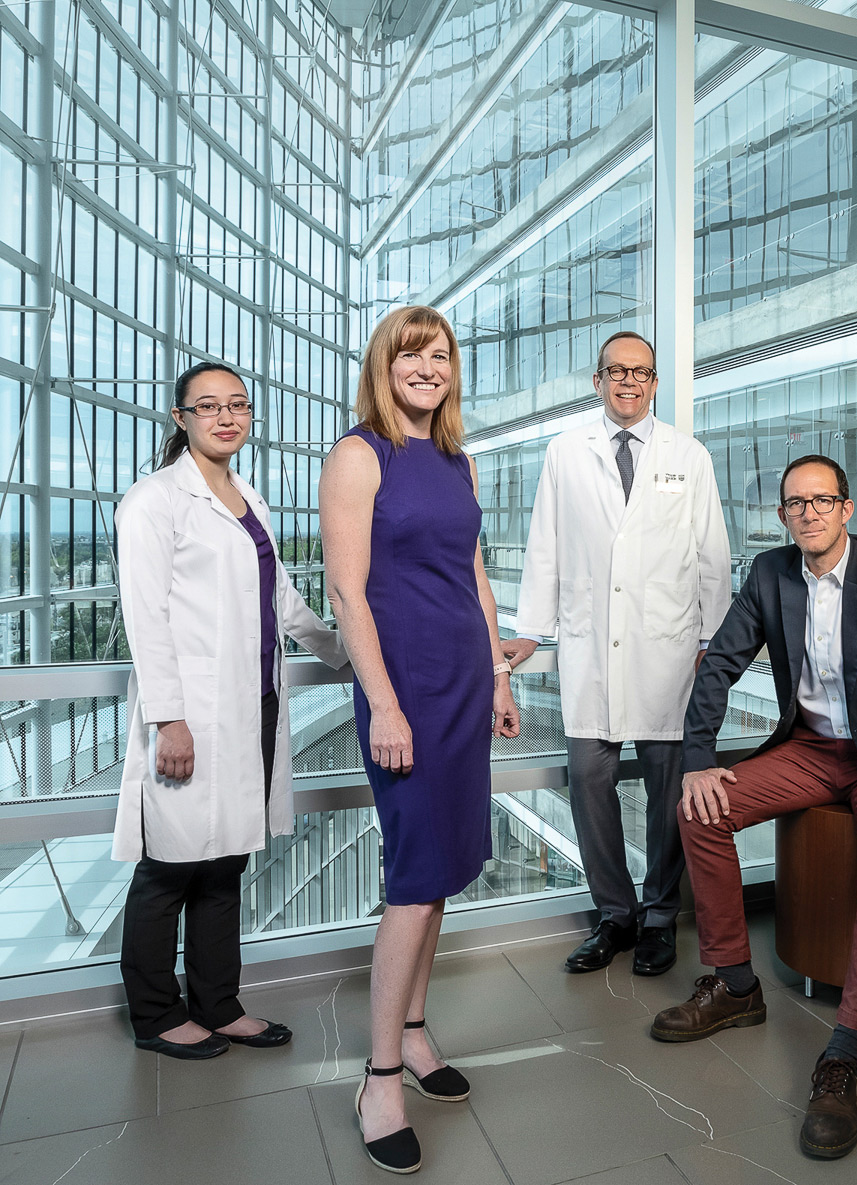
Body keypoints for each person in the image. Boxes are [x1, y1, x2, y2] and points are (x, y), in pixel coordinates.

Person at [652, 454, 857, 1161]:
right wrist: (698, 761)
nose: (808, 512)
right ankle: (736, 983)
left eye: (822, 500)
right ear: (783, 516)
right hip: (812, 749)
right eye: (794, 503)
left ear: (848, 509)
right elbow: (719, 662)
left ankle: (842, 1055)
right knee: (700, 809)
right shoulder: (771, 574)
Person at [321, 305, 521, 1175]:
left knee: (443, 873)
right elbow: (346, 592)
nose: (428, 367)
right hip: (402, 689)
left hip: (464, 684)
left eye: (440, 355)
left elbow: (472, 572)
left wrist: (503, 675)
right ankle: (379, 1076)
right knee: (412, 876)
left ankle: (414, 1030)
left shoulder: (458, 458)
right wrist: (385, 704)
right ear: (385, 365)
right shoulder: (358, 455)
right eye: (412, 355)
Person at [114, 361, 348, 1060]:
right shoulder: (154, 499)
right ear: (180, 417)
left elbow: (282, 599)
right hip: (193, 710)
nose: (225, 416)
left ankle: (219, 1002)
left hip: (254, 703)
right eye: (208, 406)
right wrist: (171, 716)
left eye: (237, 404)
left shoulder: (250, 499)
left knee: (225, 860)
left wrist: (344, 653)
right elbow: (145, 615)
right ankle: (156, 1013)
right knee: (169, 863)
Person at [503, 331, 730, 978]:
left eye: (640, 372)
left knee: (668, 794)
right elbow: (545, 543)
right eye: (615, 371)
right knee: (590, 786)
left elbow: (712, 556)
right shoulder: (566, 452)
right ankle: (616, 913)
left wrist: (713, 640)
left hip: (668, 650)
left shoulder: (687, 455)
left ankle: (660, 915)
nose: (628, 381)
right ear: (596, 380)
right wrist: (531, 628)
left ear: (655, 382)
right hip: (590, 650)